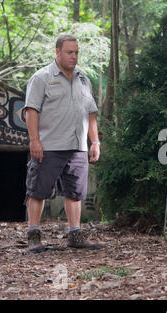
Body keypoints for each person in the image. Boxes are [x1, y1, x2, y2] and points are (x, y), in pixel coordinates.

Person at [24, 35, 101, 251]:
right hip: (49, 146)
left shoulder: (83, 79)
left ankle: (74, 235)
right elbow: (31, 111)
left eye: (76, 52)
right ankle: (34, 236)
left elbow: (91, 113)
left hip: (77, 147)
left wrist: (95, 142)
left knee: (75, 192)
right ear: (57, 52)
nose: (74, 56)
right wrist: (35, 140)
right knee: (37, 190)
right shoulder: (41, 78)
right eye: (69, 52)